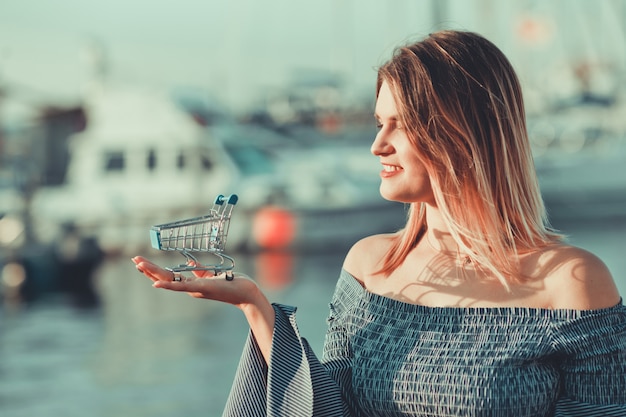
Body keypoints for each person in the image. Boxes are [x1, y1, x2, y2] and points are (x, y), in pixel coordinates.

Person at [132, 30, 626, 416]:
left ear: (463, 131)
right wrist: (255, 305)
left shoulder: (573, 283)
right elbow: (329, 411)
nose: (377, 145)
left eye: (401, 124)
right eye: (377, 123)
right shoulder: (370, 265)